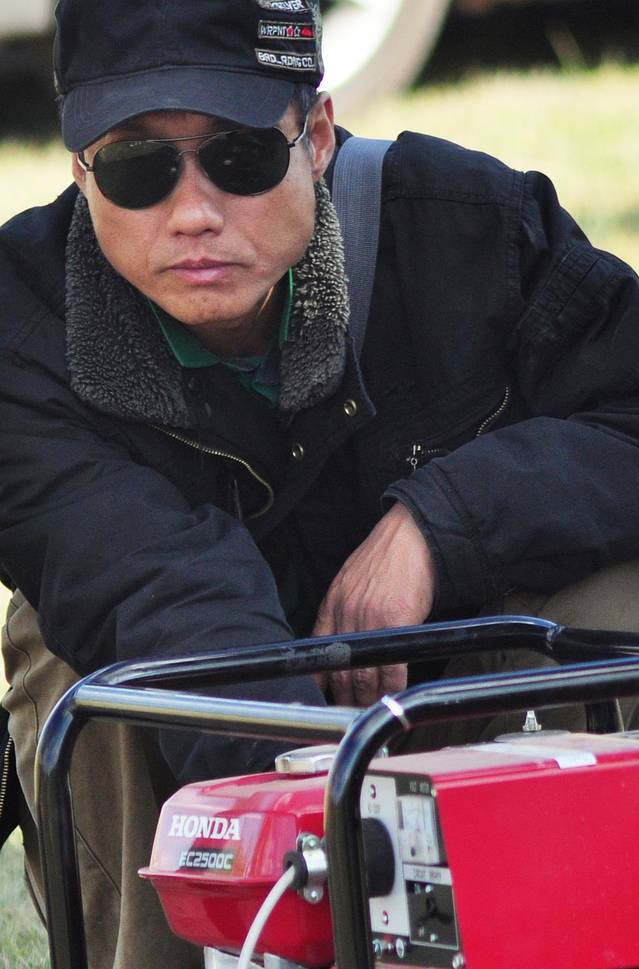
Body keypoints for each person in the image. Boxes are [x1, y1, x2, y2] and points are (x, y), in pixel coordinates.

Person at [2, 0, 639, 965]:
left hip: (452, 681)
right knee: (101, 682)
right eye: (137, 167)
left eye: (242, 156)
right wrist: (317, 815)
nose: (194, 212)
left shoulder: (468, 228)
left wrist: (438, 525)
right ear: (79, 171)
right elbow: (149, 581)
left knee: (616, 599)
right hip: (202, 712)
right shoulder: (19, 323)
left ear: (320, 136)